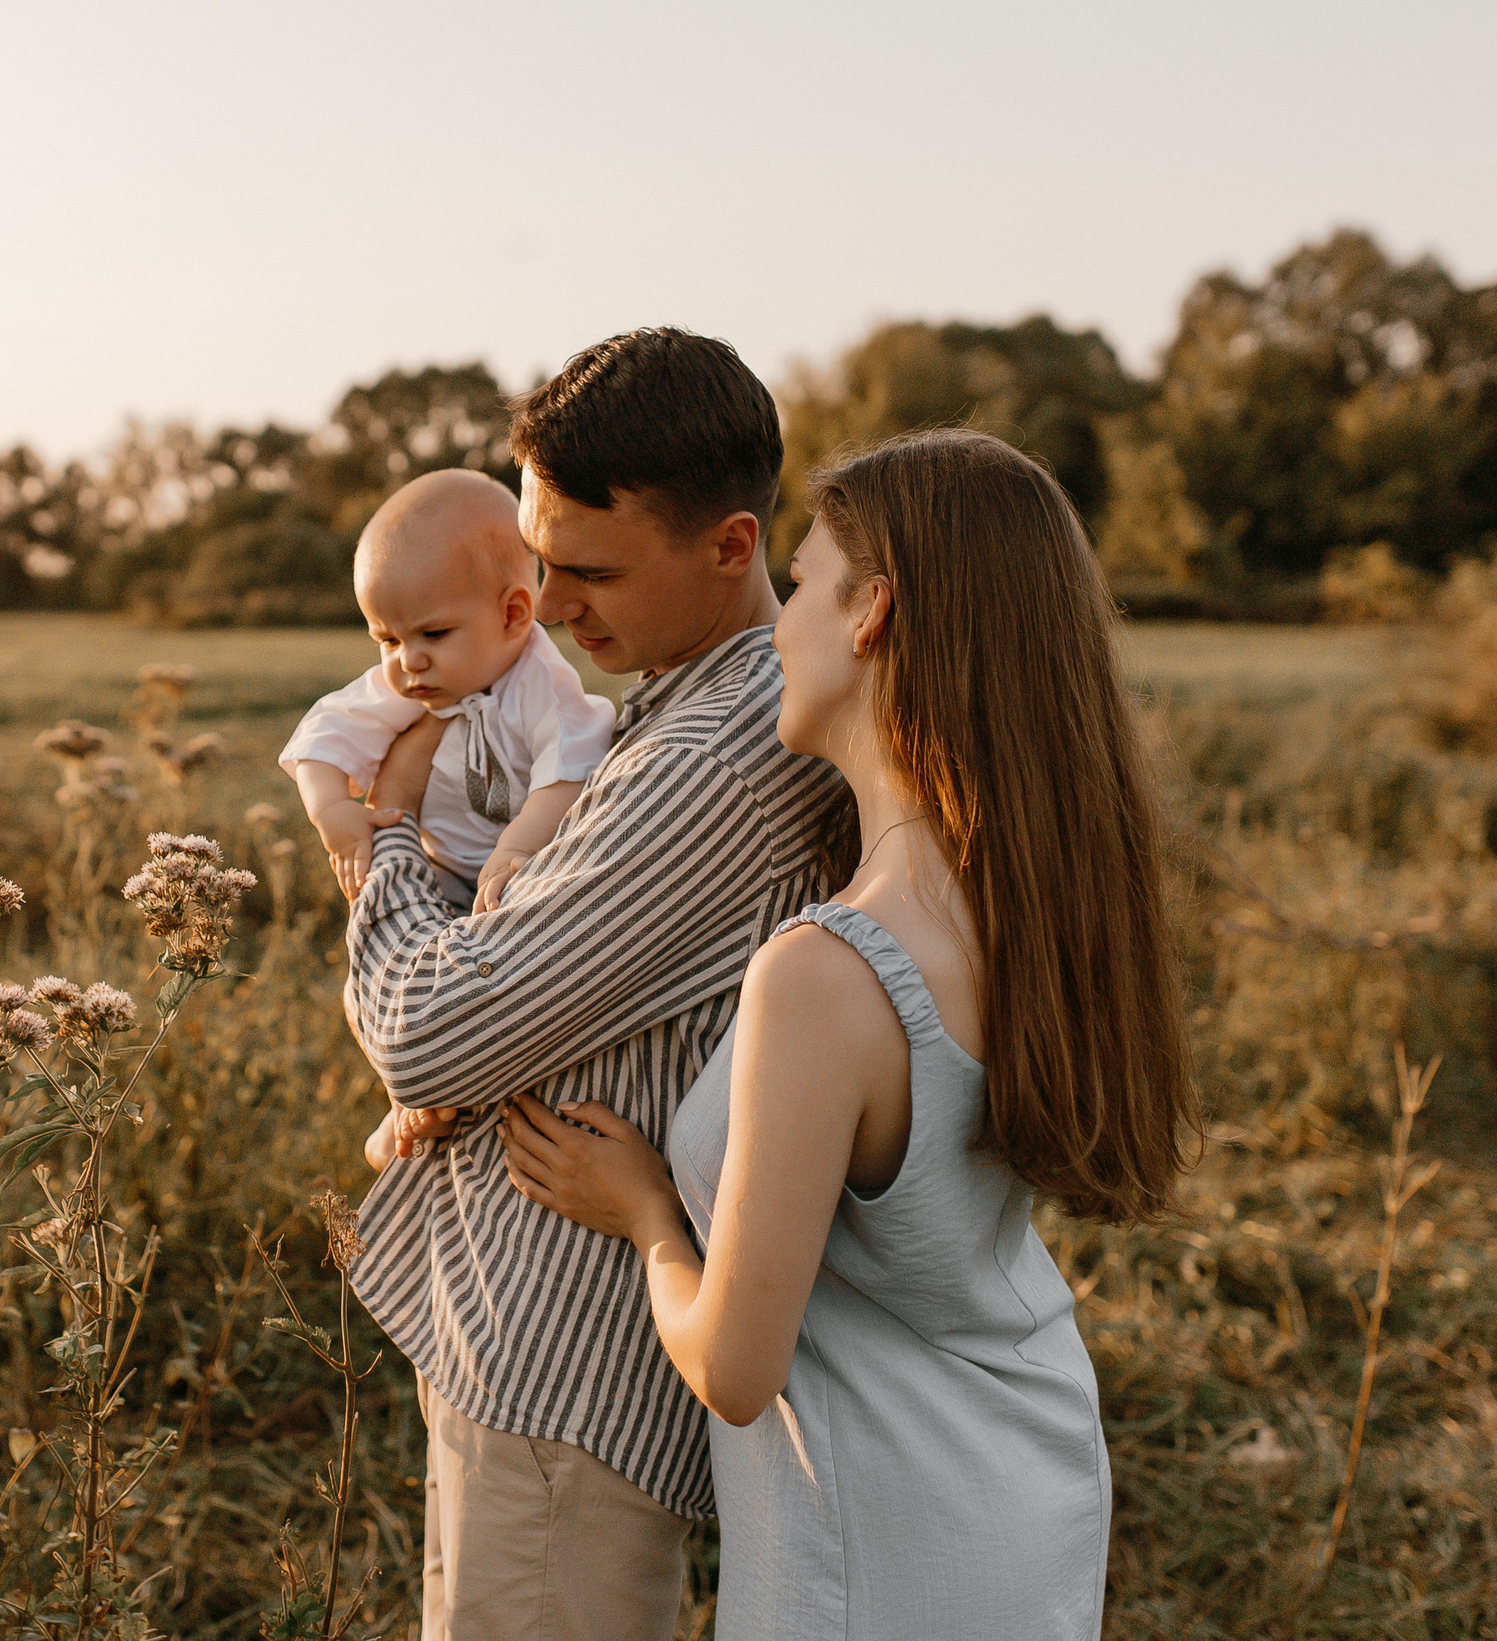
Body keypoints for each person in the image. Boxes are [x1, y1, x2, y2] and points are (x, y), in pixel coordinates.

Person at [497, 428, 1198, 1639]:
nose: (778, 627)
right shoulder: (1031, 900)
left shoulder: (826, 975)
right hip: (1025, 1471)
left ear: (872, 611)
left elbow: (734, 1370)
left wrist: (648, 1213)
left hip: (880, 1538)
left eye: (803, 582)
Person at [341, 329, 855, 1641]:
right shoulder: (674, 704)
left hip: (564, 1371)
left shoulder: (712, 760)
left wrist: (385, 836)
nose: (552, 604)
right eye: (539, 557)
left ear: (731, 546)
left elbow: (430, 1035)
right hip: (526, 1343)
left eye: (593, 570)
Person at [279, 468, 617, 1172]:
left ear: (514, 615)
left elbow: (568, 768)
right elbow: (324, 734)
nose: (407, 662)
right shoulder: (416, 682)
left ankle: (446, 1089)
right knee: (372, 978)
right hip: (436, 874)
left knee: (482, 997)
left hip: (509, 887)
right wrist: (334, 810)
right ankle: (400, 1097)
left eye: (433, 632)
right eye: (385, 639)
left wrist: (519, 847)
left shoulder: (540, 684)